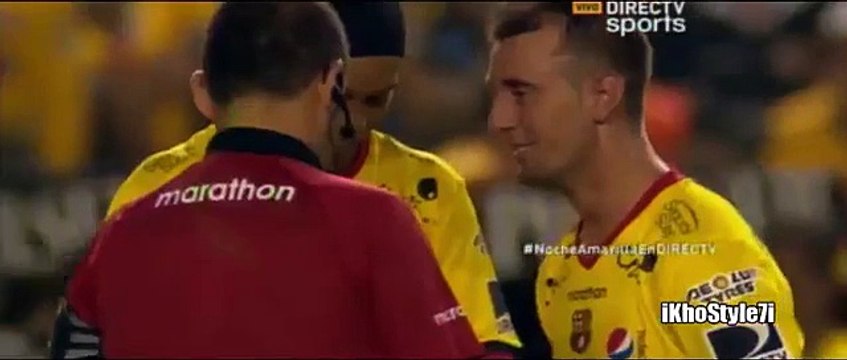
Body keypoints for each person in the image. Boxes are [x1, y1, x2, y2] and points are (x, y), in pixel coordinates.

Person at [50, 3, 484, 358]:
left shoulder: (125, 229)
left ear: (203, 93)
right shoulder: (374, 220)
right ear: (330, 85)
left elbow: (74, 345)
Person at [486, 2, 804, 358]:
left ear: (602, 96)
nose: (499, 119)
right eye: (496, 96)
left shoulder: (702, 254)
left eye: (521, 93)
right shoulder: (560, 269)